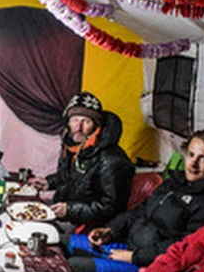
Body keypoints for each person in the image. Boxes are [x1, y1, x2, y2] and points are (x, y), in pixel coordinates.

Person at [65, 127, 204, 272]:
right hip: (127, 246)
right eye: (191, 155)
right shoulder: (175, 183)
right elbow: (139, 211)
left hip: (149, 266)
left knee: (74, 267)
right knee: (61, 242)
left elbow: (185, 247)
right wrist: (110, 230)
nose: (193, 164)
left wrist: (134, 257)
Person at [27, 91, 135, 228]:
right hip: (65, 211)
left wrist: (70, 210)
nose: (78, 128)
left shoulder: (112, 160)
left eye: (86, 121)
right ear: (68, 123)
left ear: (96, 126)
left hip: (88, 225)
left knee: (32, 229)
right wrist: (48, 182)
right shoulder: (73, 146)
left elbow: (110, 208)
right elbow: (71, 178)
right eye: (75, 120)